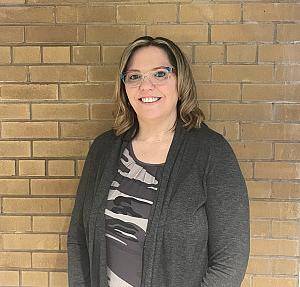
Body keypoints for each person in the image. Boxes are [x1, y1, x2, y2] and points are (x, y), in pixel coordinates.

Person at [67, 36, 250, 287]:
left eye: (160, 74)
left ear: (180, 80)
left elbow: (230, 259)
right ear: (124, 87)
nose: (146, 86)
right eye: (134, 76)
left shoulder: (212, 153)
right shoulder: (103, 150)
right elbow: (78, 239)